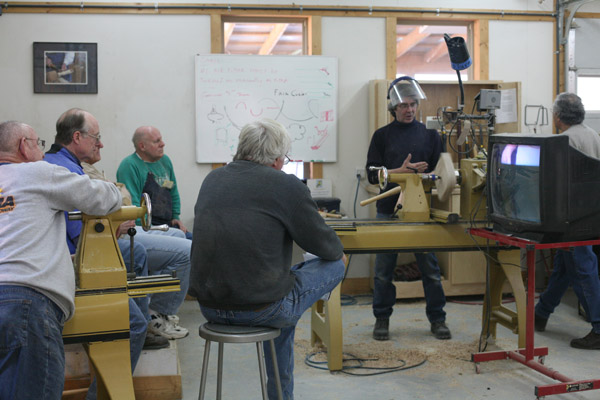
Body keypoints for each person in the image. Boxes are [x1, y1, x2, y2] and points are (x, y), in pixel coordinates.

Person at [189, 119, 346, 400]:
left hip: (209, 306)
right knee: (336, 265)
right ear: (276, 160)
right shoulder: (285, 185)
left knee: (283, 294)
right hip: (262, 308)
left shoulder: (212, 179)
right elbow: (330, 249)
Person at [44, 108, 190, 344]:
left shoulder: (72, 166)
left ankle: (149, 319)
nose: (100, 145)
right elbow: (81, 233)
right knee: (147, 253)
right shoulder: (65, 171)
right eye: (97, 138)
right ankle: (145, 323)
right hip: (78, 255)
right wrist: (115, 226)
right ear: (78, 137)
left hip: (103, 236)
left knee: (181, 238)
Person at [0, 120, 122, 399]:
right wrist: (116, 190)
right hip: (28, 302)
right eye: (38, 144)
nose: (42, 152)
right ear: (23, 146)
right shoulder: (38, 172)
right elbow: (100, 198)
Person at [365, 77, 451, 341]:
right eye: (403, 105)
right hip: (387, 210)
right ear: (393, 107)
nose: (409, 110)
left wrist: (428, 175)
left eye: (413, 104)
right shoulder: (382, 136)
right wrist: (397, 172)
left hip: (421, 211)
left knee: (431, 270)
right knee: (383, 271)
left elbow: (443, 173)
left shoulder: (431, 136)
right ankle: (382, 319)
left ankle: (438, 320)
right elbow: (371, 174)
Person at [534, 92, 600, 350]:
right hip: (591, 216)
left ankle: (598, 326)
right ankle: (542, 313)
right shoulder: (594, 135)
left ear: (558, 116)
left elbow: (555, 185)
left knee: (583, 268)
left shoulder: (563, 141)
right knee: (563, 265)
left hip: (573, 220)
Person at [116, 126, 192, 239]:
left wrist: (176, 217)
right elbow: (133, 204)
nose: (163, 144)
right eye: (157, 141)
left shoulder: (165, 161)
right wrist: (149, 229)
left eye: (161, 139)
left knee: (196, 244)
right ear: (142, 146)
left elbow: (173, 191)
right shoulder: (129, 166)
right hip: (144, 227)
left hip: (168, 223)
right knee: (186, 248)